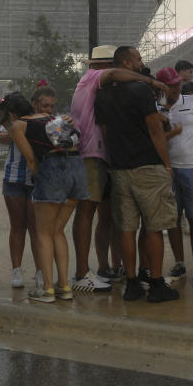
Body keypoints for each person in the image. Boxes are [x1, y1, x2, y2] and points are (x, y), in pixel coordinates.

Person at [96, 46, 179, 303]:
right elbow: (154, 130)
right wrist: (166, 164)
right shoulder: (141, 90)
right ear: (127, 63)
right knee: (155, 226)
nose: (142, 63)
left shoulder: (101, 95)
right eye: (139, 59)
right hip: (148, 166)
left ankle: (131, 283)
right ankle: (155, 283)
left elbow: (106, 133)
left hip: (120, 167)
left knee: (127, 228)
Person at [0, 92, 87, 303]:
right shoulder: (53, 119)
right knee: (57, 232)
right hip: (77, 170)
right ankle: (64, 286)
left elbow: (31, 161)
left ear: (12, 113)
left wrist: (44, 182)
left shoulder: (19, 125)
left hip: (54, 169)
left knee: (43, 233)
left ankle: (47, 289)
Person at [68, 46, 119, 293]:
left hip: (96, 154)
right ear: (101, 66)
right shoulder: (92, 78)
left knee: (99, 215)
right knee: (86, 213)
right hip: (91, 154)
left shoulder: (91, 85)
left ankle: (97, 268)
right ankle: (81, 272)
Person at [155, 67, 193, 288]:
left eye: (178, 83)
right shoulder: (156, 107)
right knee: (173, 219)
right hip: (168, 170)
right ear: (161, 86)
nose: (176, 88)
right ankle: (179, 263)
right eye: (171, 85)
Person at [0, 88, 39, 290]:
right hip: (13, 177)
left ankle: (41, 270)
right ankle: (17, 271)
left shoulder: (37, 121)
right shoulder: (11, 124)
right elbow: (1, 137)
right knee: (17, 226)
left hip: (34, 179)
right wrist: (15, 127)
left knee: (36, 229)